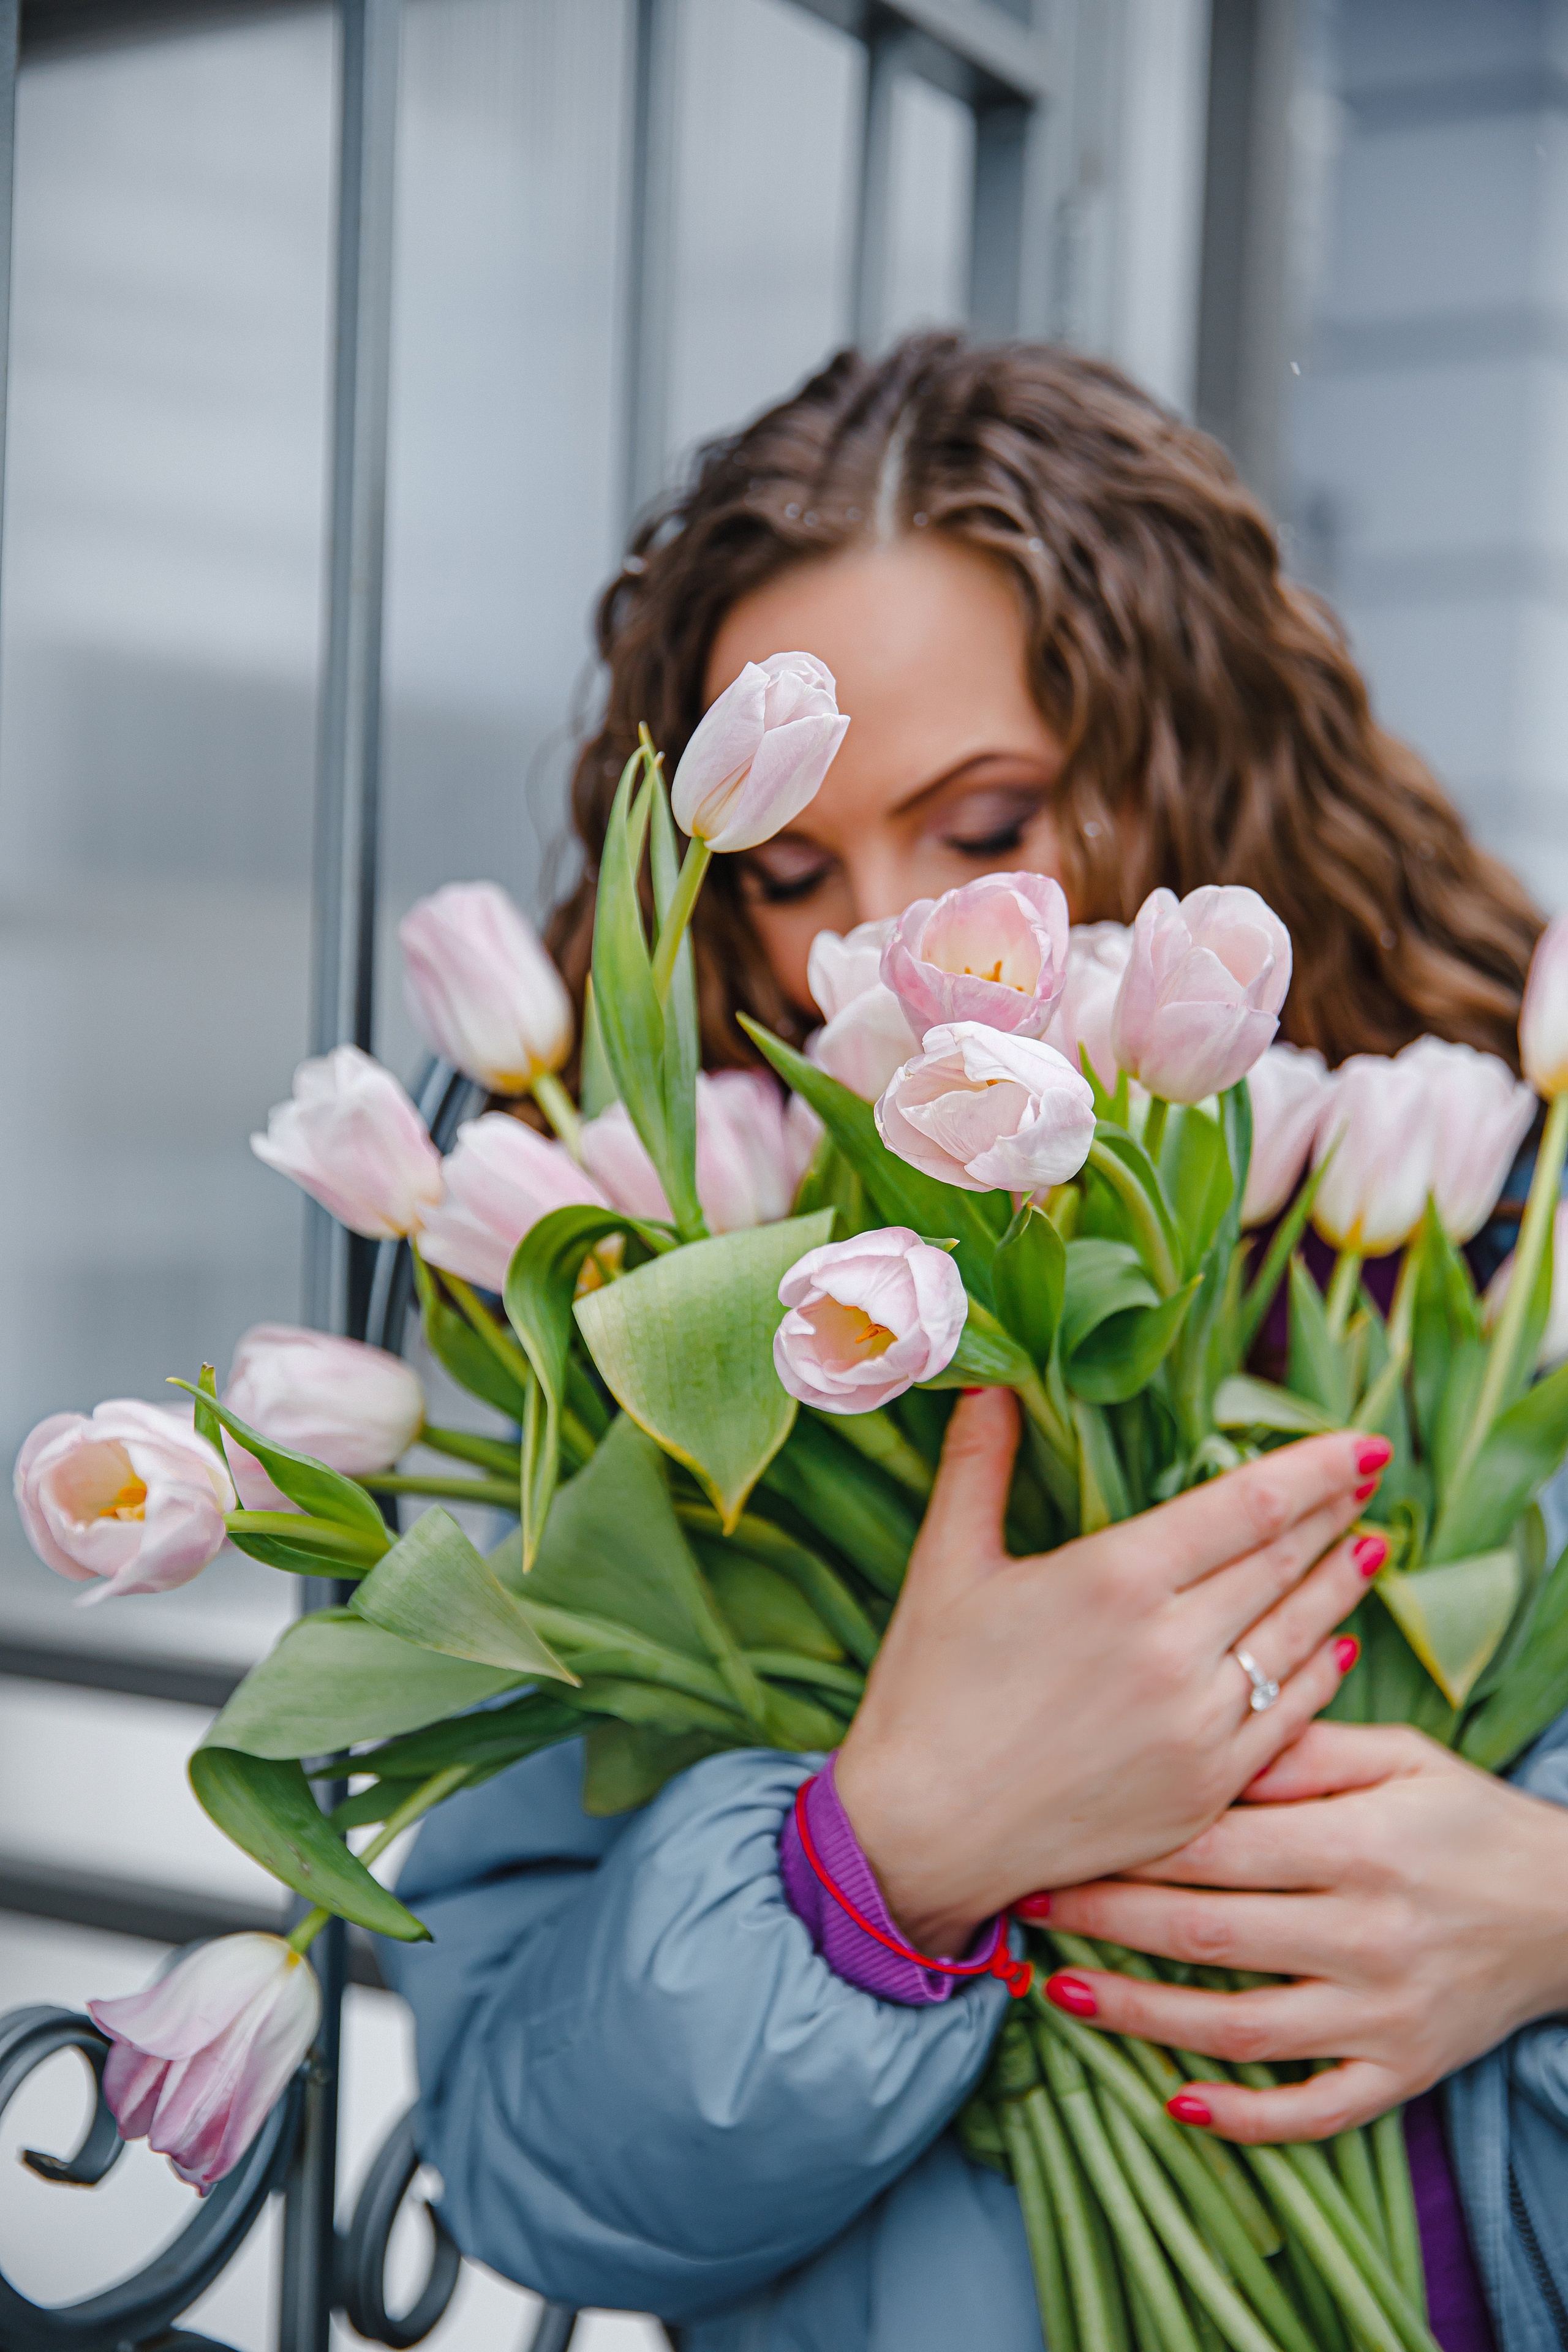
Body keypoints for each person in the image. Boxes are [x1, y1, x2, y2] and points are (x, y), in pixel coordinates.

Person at [383, 336, 1568, 2351]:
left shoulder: (1509, 1242)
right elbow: (526, 2160)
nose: (879, 951)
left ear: (1201, 756)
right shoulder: (686, 1359)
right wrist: (881, 1861)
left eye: (987, 822)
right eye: (787, 872)